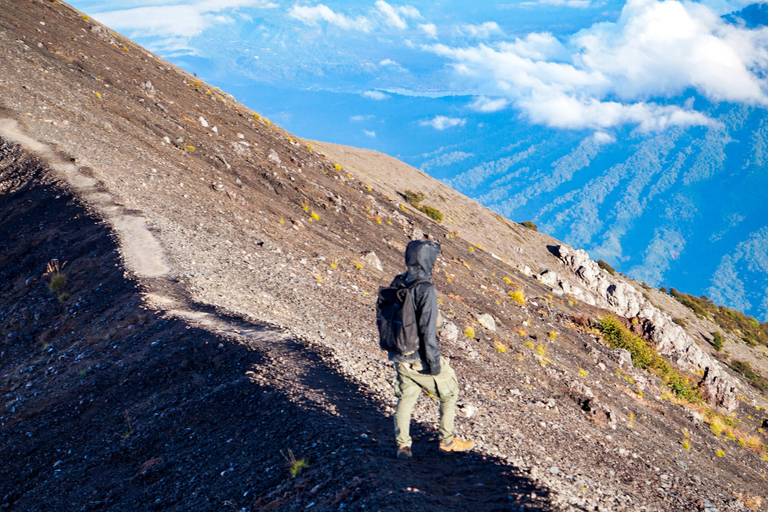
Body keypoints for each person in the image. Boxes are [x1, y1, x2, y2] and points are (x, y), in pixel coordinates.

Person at [388, 239, 474, 459]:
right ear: (427, 261)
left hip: (400, 352)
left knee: (406, 398)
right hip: (420, 356)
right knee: (450, 392)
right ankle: (447, 441)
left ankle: (403, 446)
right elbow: (427, 329)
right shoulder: (425, 289)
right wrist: (434, 361)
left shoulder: (399, 281)